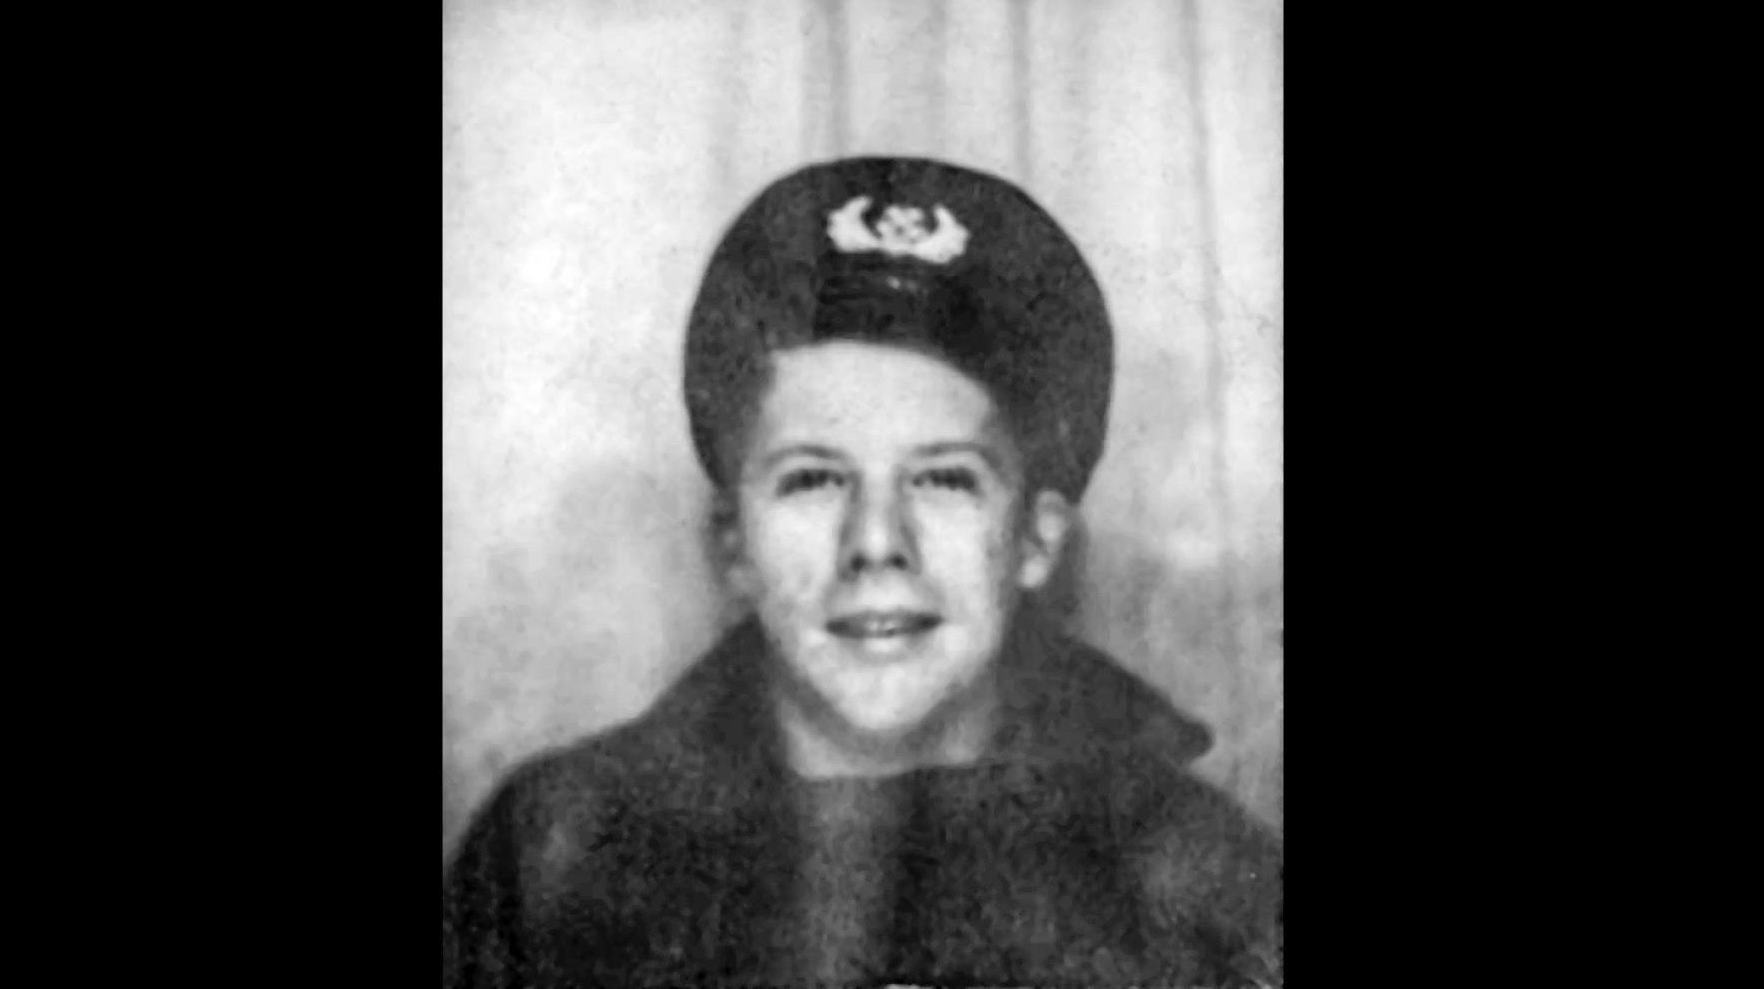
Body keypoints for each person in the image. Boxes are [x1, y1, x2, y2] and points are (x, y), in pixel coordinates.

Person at [442, 157, 1283, 987]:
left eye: (943, 478)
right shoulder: (552, 862)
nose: (876, 542)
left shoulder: (1198, 882)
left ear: (1034, 538)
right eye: (813, 478)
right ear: (733, 542)